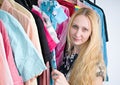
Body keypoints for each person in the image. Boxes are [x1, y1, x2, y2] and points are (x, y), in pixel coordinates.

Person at [52, 7, 106, 85]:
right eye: (75, 27)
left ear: (91, 33)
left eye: (85, 29)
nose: (77, 34)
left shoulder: (96, 65)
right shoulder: (68, 51)